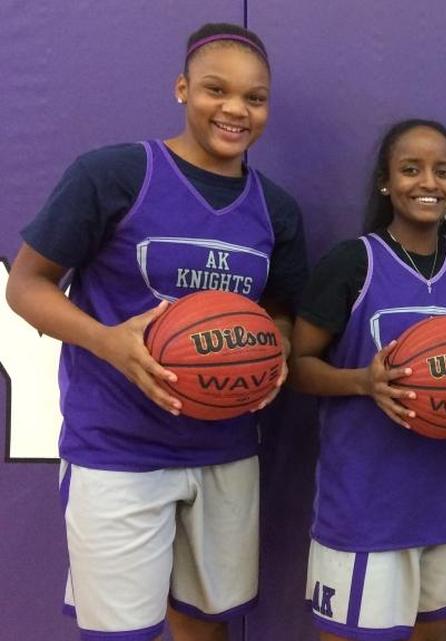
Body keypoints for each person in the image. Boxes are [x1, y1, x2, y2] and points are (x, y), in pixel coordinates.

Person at [4, 22, 308, 641]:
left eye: (254, 98)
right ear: (181, 89)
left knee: (205, 627)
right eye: (215, 90)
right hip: (119, 447)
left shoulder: (274, 209)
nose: (235, 110)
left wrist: (275, 339)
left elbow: (280, 309)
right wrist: (107, 341)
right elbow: (26, 286)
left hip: (225, 449)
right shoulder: (114, 175)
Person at [289, 119, 446, 641]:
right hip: (366, 505)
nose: (428, 182)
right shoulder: (351, 262)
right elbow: (296, 366)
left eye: (443, 171)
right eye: (411, 169)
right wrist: (365, 382)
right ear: (386, 182)